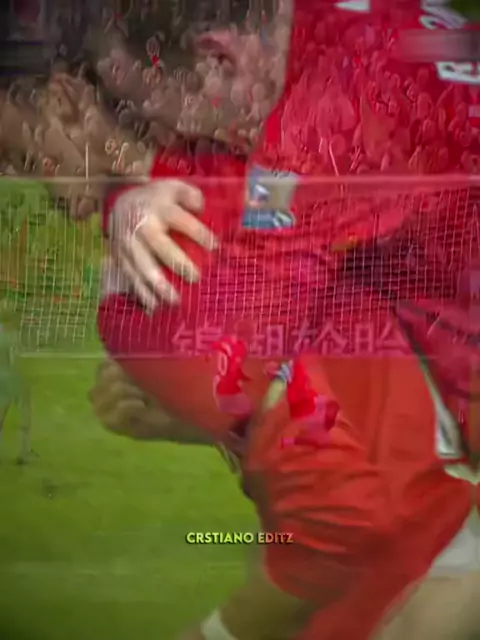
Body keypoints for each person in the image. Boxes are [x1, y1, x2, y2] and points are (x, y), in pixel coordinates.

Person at [94, 2, 480, 640]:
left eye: (161, 111)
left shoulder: (319, 126)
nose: (178, 138)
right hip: (429, 343)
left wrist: (173, 399)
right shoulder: (324, 30)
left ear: (219, 57)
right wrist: (131, 197)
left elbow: (234, 358)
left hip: (429, 413)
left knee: (420, 600)